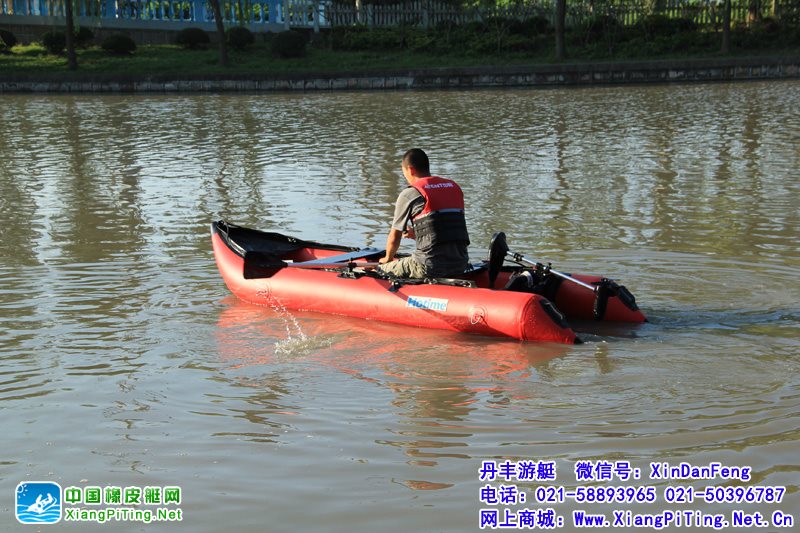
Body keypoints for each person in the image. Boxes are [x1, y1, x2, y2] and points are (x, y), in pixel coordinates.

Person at [378, 149, 470, 279]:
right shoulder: (454, 187)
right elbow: (449, 228)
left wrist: (388, 258)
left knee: (381, 270)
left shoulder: (410, 193)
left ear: (410, 170)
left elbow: (395, 236)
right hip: (461, 263)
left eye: (404, 173)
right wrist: (417, 234)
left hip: (429, 266)